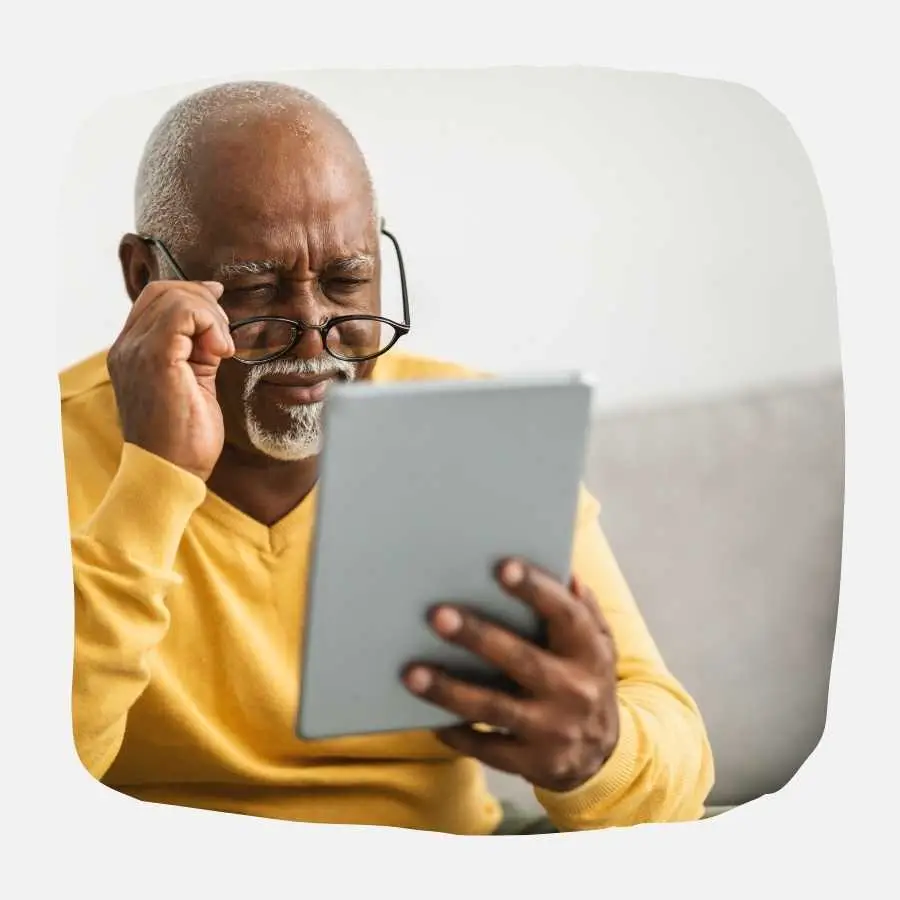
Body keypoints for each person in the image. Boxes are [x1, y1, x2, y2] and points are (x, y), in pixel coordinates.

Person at [62, 80, 714, 835]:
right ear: (146, 280)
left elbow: (675, 764)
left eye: (345, 281)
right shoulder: (44, 444)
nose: (316, 335)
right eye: (255, 288)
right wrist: (156, 475)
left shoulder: (479, 434)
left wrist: (598, 751)